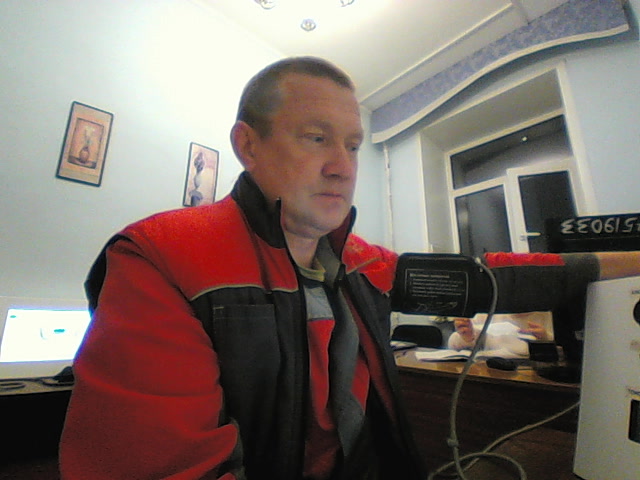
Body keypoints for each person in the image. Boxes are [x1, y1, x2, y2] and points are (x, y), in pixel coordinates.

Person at [59, 56, 640, 480]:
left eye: (354, 145)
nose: (343, 166)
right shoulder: (161, 257)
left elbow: (491, 277)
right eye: (316, 138)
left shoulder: (361, 261)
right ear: (248, 145)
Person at [447, 312, 551, 356]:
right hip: (488, 373)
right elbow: (452, 344)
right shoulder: (488, 312)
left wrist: (546, 339)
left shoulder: (547, 315)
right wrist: (467, 337)